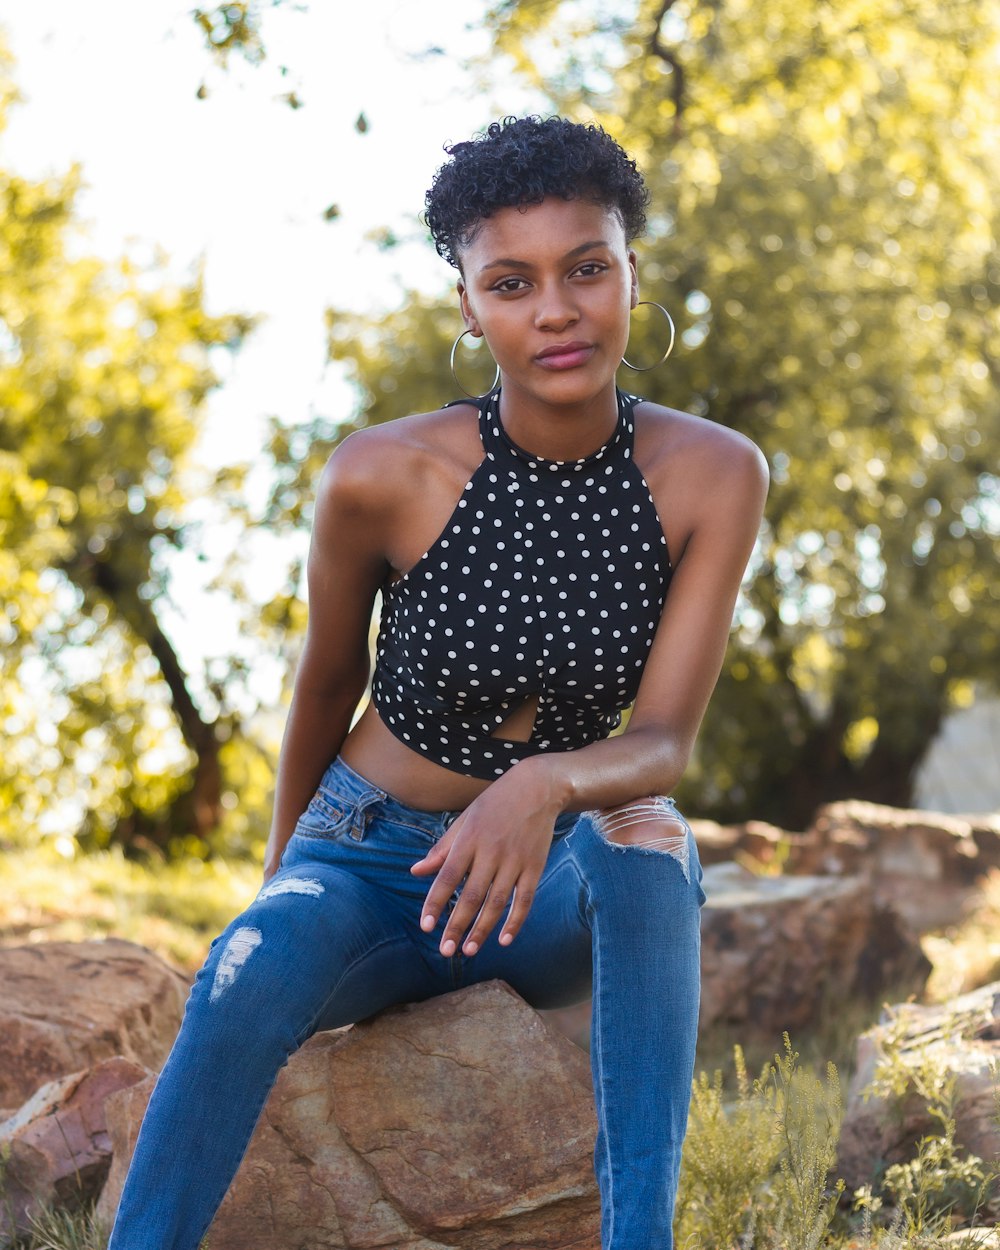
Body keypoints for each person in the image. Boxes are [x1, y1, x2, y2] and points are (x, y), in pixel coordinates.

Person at [107, 115, 768, 1250]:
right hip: (366, 859)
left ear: (629, 272)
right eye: (510, 282)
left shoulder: (713, 473)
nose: (555, 310)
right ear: (467, 303)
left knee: (650, 839)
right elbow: (324, 683)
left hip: (538, 884)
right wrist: (275, 899)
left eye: (587, 268)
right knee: (245, 972)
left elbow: (662, 736)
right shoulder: (381, 472)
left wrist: (543, 784)